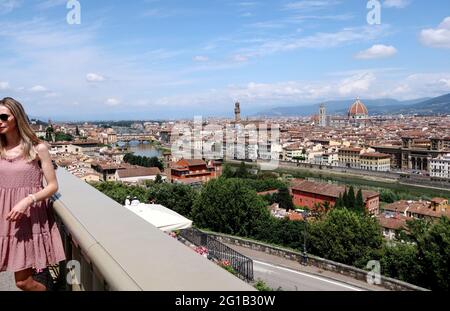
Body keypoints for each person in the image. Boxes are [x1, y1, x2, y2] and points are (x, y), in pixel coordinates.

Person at [0, 97, 66, 291]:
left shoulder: (38, 148)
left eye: (3, 116)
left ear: (17, 117)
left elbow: (53, 186)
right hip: (2, 215)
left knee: (23, 282)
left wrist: (27, 200)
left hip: (24, 218)